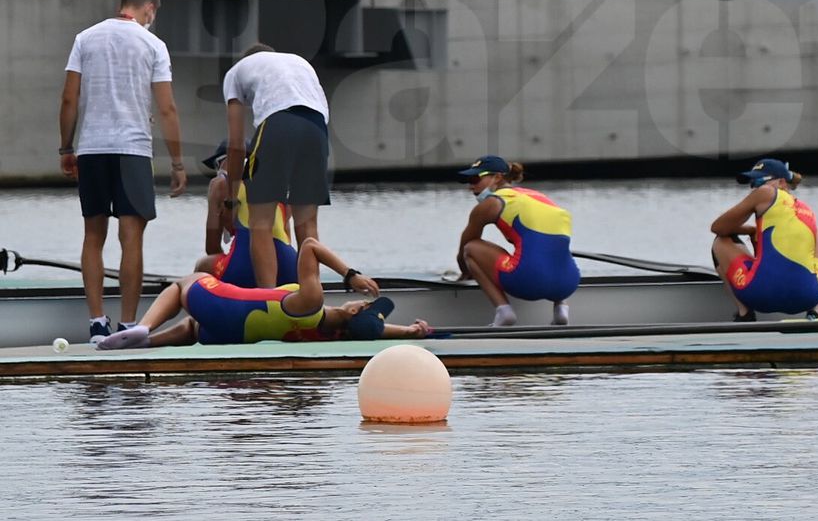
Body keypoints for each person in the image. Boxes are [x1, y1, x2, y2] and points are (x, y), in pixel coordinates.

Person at [58, 0, 187, 344]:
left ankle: (97, 322)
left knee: (93, 235)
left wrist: (66, 148)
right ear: (149, 8)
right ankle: (128, 325)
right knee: (131, 238)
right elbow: (167, 108)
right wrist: (178, 163)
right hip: (132, 149)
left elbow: (70, 98)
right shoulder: (153, 44)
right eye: (153, 13)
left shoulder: (85, 38)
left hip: (92, 147)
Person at [96, 237, 430, 348]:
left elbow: (310, 246)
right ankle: (146, 345)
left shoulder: (311, 302)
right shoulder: (331, 334)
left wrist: (350, 275)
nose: (357, 300)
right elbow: (370, 330)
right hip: (233, 334)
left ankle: (142, 327)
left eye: (359, 303)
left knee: (189, 279)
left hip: (227, 304)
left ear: (354, 309)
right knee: (195, 328)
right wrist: (411, 332)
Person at [222, 43, 330, 288]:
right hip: (317, 128)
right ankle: (310, 299)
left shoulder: (236, 72)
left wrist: (231, 198)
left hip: (278, 122)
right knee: (307, 224)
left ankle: (268, 300)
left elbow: (237, 144)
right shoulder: (298, 61)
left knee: (261, 223)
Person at [455, 155, 580, 326]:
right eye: (468, 180)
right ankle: (561, 309)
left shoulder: (491, 204)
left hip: (526, 282)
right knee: (550, 249)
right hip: (569, 282)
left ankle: (504, 312)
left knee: (471, 248)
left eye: (475, 179)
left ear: (497, 177)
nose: (470, 186)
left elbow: (463, 250)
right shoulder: (539, 197)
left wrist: (465, 273)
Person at [710, 158, 818, 322]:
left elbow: (718, 227)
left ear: (782, 182)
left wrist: (749, 230)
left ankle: (744, 313)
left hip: (759, 295)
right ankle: (815, 311)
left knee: (721, 240)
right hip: (808, 297)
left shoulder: (766, 193)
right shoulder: (805, 209)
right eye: (752, 183)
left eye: (760, 181)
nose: (756, 187)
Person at [197, 138, 299, 288]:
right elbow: (286, 237)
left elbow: (211, 247)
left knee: (202, 266)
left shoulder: (219, 184)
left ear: (220, 163)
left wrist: (229, 262)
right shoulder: (279, 184)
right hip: (290, 267)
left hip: (243, 265)